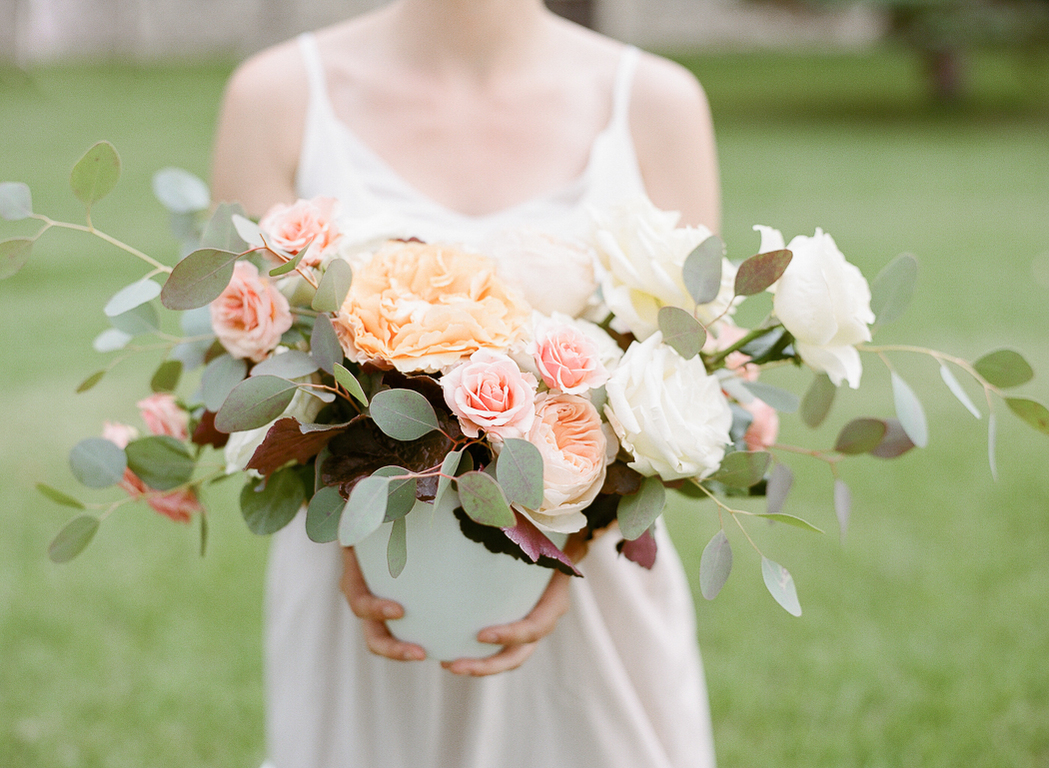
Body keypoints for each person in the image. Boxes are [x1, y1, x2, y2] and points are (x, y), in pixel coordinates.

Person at [211, 0, 720, 765]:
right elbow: (255, 371)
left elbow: (684, 374)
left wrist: (577, 536)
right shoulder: (277, 97)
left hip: (595, 599)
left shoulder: (657, 104)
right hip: (366, 582)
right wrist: (353, 520)